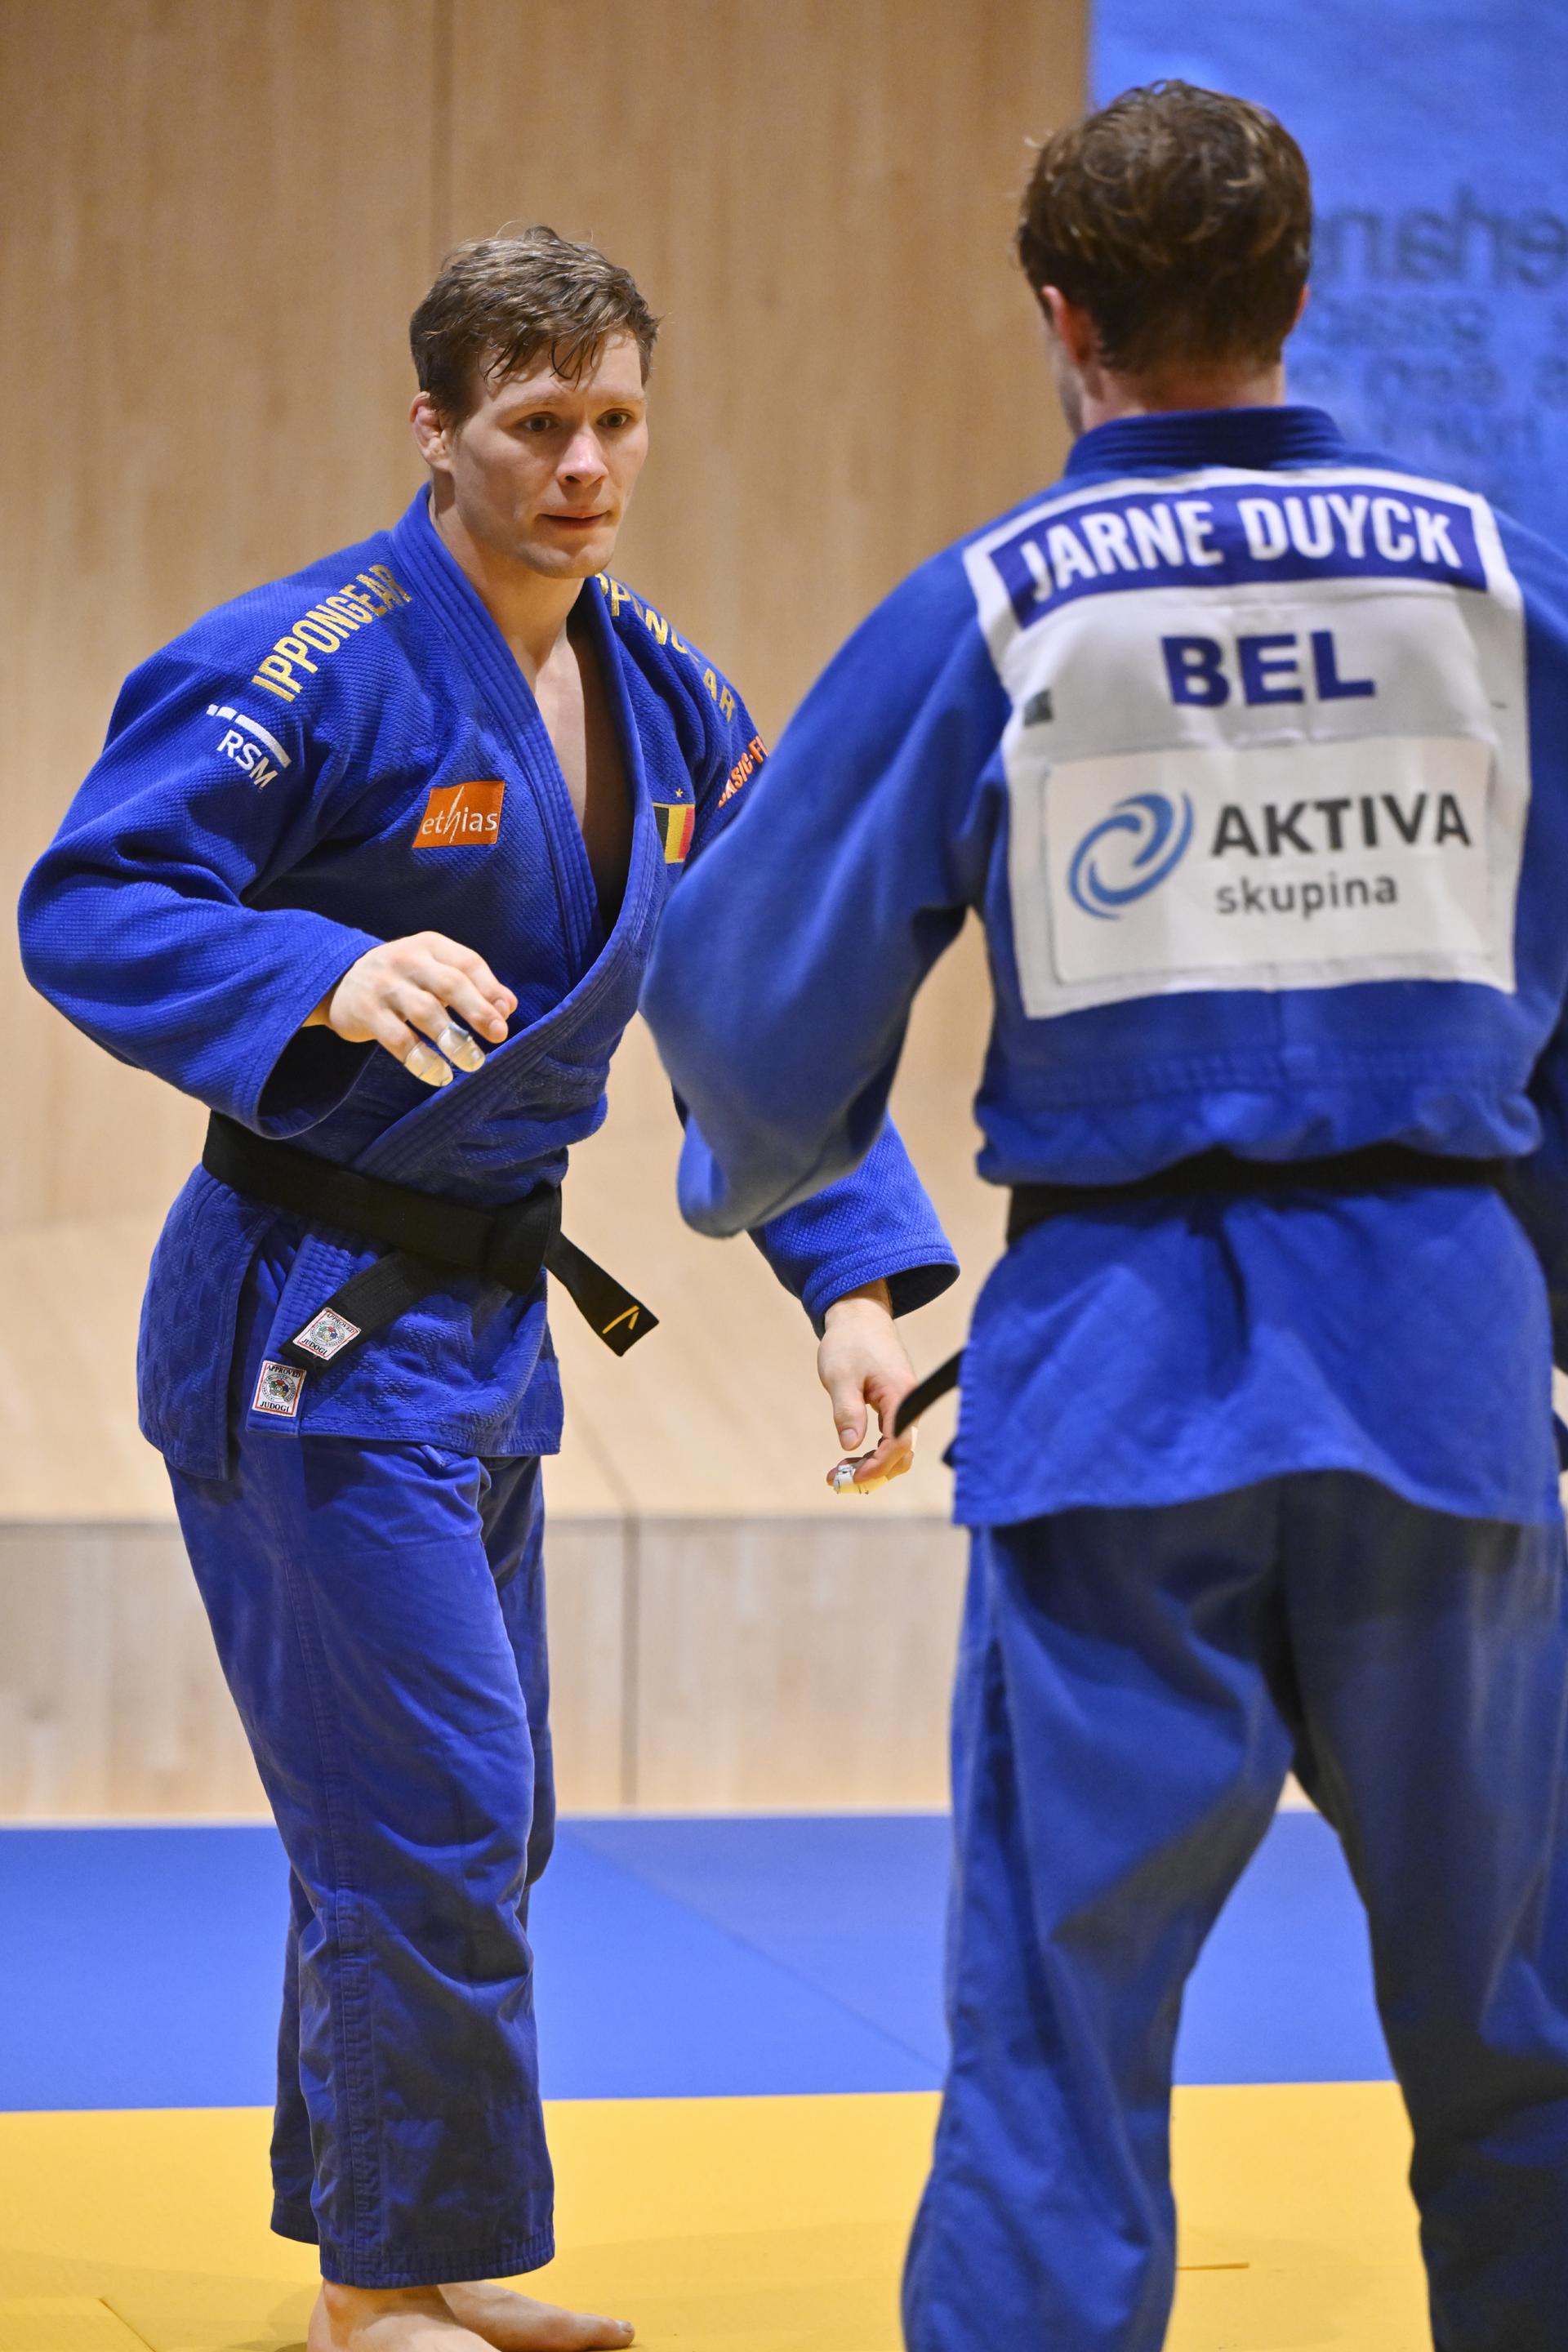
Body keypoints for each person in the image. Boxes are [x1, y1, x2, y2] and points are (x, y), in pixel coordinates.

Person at [641, 80, 1568, 2352]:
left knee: (1062, 2062)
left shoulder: (995, 614)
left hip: (1120, 1389)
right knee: (1522, 2034)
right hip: (1444, 1370)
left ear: (1061, 318)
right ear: (1303, 290)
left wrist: (776, 1194)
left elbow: (747, 996)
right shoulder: (1494, 590)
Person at [18, 228, 956, 2352]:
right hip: (306, 1323)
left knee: (464, 1818)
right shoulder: (313, 666)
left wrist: (853, 1278)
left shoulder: (678, 699)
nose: (587, 466)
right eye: (539, 424)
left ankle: (400, 2241)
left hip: (487, 1336)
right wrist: (315, 967)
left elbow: (767, 1014)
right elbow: (88, 899)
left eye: (618, 419)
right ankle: (381, 2290)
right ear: (436, 426)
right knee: (427, 1811)